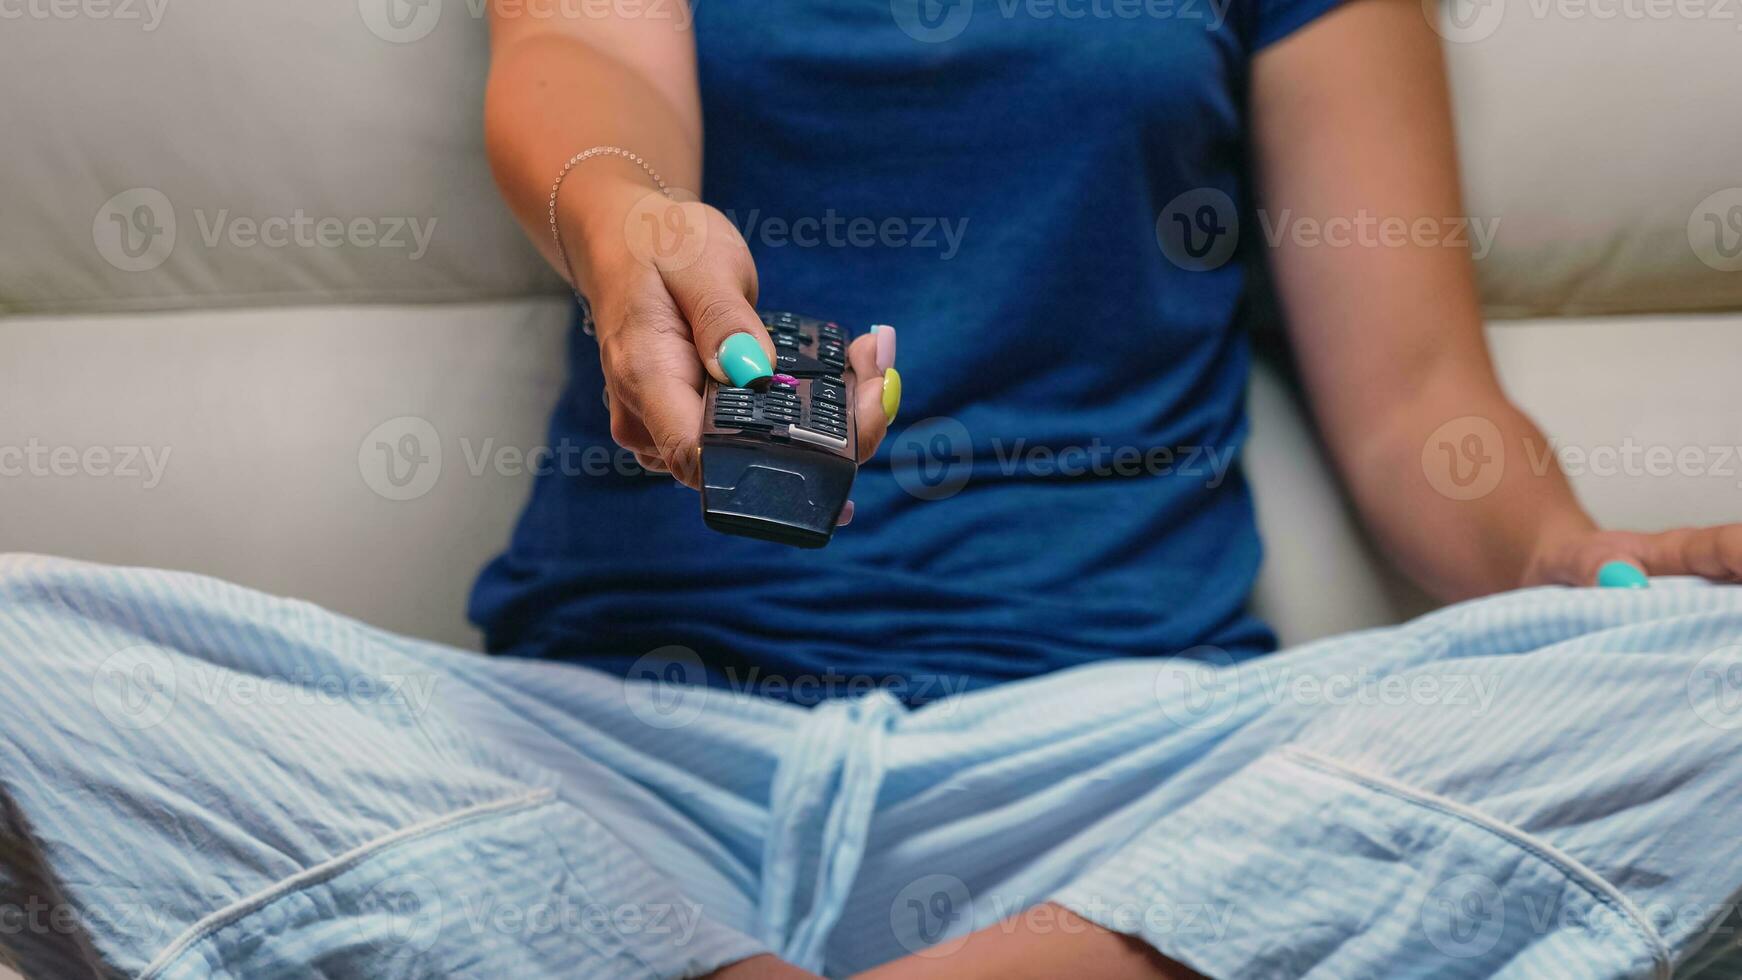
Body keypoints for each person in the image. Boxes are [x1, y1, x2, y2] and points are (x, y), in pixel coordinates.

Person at [2, 0, 1741, 977]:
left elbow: (1418, 405)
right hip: (615, 771)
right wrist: (630, 236)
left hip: (1120, 781)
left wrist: (1575, 566)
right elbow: (588, 80)